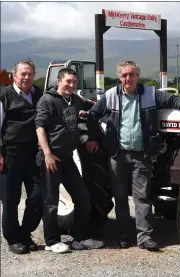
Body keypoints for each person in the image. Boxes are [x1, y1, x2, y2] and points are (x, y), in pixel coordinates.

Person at [86, 60, 180, 250]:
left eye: (131, 74)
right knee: (119, 197)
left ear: (138, 75)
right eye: (124, 75)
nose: (128, 78)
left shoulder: (150, 94)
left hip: (141, 155)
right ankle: (124, 235)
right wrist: (93, 138)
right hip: (116, 155)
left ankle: (144, 237)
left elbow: (172, 100)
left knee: (142, 197)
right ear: (120, 77)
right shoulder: (111, 95)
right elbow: (92, 116)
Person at [35, 67, 104, 253]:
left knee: (82, 197)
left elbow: (94, 108)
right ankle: (51, 241)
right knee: (51, 201)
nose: (71, 85)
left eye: (74, 82)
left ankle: (81, 237)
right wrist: (47, 154)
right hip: (51, 157)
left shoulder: (76, 100)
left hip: (67, 157)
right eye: (68, 82)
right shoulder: (47, 100)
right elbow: (40, 128)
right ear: (59, 81)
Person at [0, 59, 43, 254]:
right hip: (10, 154)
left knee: (38, 195)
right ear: (14, 75)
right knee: (10, 199)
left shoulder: (40, 95)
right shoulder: (4, 96)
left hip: (33, 154)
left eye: (30, 74)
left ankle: (25, 232)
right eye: (22, 74)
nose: (26, 77)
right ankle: (13, 238)